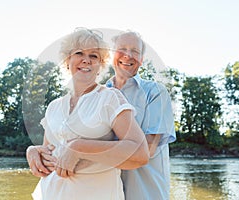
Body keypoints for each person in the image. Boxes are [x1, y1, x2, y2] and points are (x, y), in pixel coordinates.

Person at [27, 28, 149, 200]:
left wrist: (79, 148)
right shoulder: (53, 107)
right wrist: (33, 152)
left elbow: (140, 154)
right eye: (79, 53)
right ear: (67, 60)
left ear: (100, 65)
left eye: (94, 56)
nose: (86, 60)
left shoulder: (110, 98)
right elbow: (49, 154)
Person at [107, 31, 176, 200]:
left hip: (146, 194)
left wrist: (84, 154)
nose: (128, 55)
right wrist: (36, 150)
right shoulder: (97, 95)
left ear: (142, 59)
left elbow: (147, 149)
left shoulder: (155, 92)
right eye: (122, 49)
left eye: (135, 51)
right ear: (111, 55)